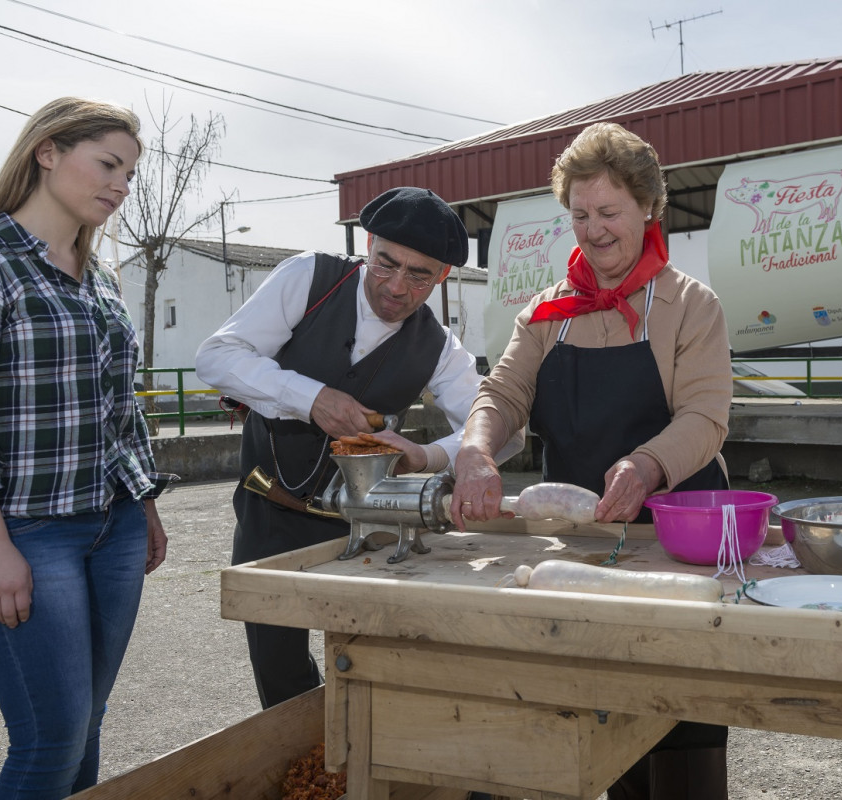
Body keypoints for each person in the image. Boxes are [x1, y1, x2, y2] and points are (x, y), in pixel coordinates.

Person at [450, 122, 733, 800]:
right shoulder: (547, 312)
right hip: (578, 552)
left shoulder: (691, 305)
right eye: (579, 215)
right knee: (596, 719)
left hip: (674, 545)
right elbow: (502, 392)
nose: (594, 230)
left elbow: (704, 417)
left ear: (648, 209)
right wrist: (474, 448)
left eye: (608, 212)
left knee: (680, 730)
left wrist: (645, 464)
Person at [195, 186, 521, 710]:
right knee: (278, 673)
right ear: (368, 244)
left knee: (367, 661)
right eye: (386, 263)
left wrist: (427, 456)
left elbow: (502, 429)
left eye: (419, 275)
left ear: (442, 277)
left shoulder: (439, 346)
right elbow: (216, 357)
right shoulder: (309, 278)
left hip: (366, 524)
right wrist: (311, 398)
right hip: (269, 510)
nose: (396, 287)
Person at [0, 97, 172, 799]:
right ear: (48, 152)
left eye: (129, 174)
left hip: (113, 526)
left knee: (86, 725)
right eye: (108, 165)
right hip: (28, 533)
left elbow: (120, 413)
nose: (120, 186)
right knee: (50, 739)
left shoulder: (104, 280)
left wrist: (144, 502)